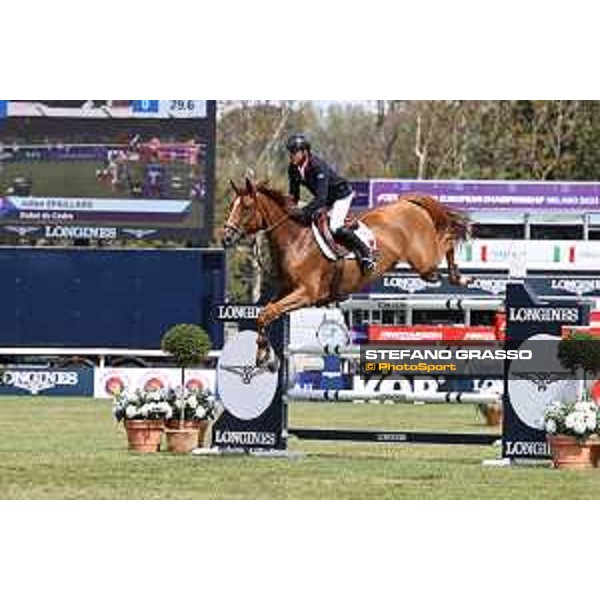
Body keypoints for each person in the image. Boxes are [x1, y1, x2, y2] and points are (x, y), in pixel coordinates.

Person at [285, 133, 375, 273]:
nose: (291, 155)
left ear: (305, 152)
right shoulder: (293, 169)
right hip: (326, 198)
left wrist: (303, 212)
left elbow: (320, 200)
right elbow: (294, 195)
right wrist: (290, 208)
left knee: (335, 226)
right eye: (290, 152)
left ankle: (366, 253)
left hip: (341, 196)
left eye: (294, 152)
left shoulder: (317, 166)